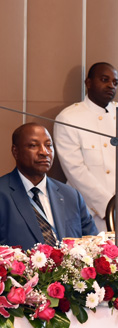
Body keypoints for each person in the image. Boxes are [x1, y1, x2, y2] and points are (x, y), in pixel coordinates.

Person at [0, 123, 97, 250]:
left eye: (48, 145)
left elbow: (93, 244)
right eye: (34, 146)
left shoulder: (71, 195)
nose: (44, 152)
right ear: (15, 151)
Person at [54, 62, 118, 232]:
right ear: (88, 83)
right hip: (90, 212)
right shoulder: (69, 118)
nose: (111, 85)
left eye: (115, 82)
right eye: (105, 80)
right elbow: (75, 171)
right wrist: (109, 206)